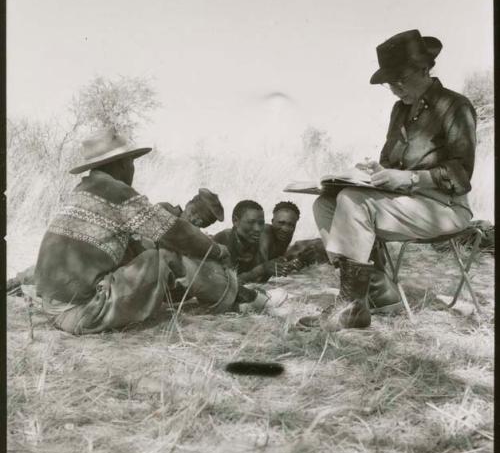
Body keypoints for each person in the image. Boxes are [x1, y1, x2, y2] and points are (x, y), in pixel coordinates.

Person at [299, 29, 477, 331]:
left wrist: (407, 179)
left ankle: (352, 308)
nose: (395, 88)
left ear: (424, 68)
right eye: (389, 83)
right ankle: (376, 292)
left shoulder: (455, 106)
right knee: (325, 204)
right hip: (405, 204)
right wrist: (373, 171)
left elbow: (460, 175)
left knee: (353, 203)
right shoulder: (400, 110)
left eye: (401, 79)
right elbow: (390, 162)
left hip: (444, 208)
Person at [33, 128, 281, 335]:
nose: (132, 168)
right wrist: (216, 250)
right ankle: (244, 297)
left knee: (144, 249)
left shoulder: (82, 191)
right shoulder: (116, 192)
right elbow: (174, 232)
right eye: (131, 162)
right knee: (166, 255)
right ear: (120, 164)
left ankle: (235, 295)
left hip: (53, 309)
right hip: (83, 313)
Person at [213, 200, 291, 283]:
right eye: (251, 222)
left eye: (261, 223)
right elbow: (224, 284)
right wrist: (261, 269)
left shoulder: (257, 242)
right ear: (235, 221)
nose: (257, 229)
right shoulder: (222, 240)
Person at [159, 188, 224, 229]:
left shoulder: (196, 242)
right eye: (193, 211)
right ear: (188, 204)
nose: (192, 218)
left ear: (202, 226)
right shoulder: (164, 210)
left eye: (198, 220)